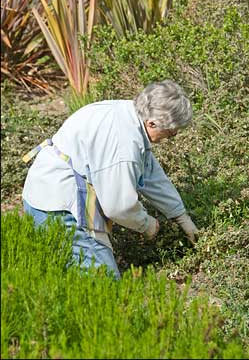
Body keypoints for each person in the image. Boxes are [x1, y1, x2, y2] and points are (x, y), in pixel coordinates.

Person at [22, 79, 199, 279]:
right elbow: (118, 206)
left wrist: (180, 216)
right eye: (170, 132)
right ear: (152, 123)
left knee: (62, 277)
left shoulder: (127, 113)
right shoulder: (124, 144)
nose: (172, 136)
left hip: (42, 193)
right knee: (104, 285)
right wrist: (147, 225)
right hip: (60, 209)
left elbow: (150, 175)